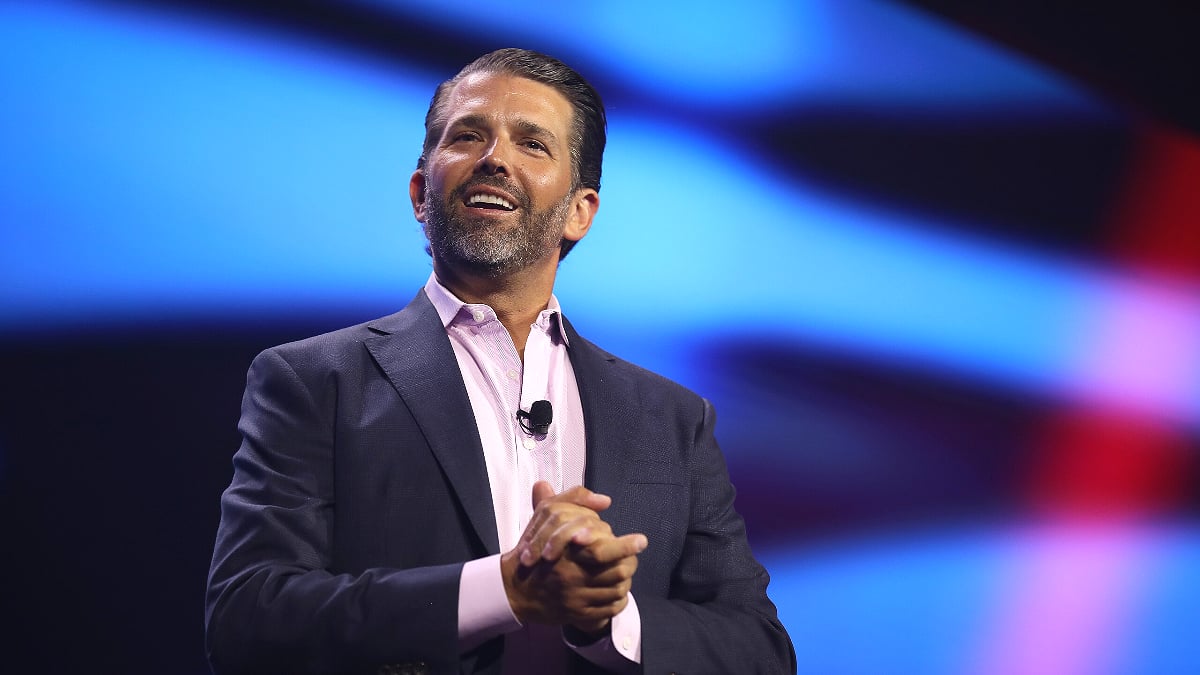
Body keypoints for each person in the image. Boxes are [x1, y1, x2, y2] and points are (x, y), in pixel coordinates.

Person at [205, 48, 795, 675]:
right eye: (468, 136)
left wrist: (608, 618)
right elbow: (247, 621)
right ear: (419, 194)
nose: (495, 158)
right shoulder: (315, 381)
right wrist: (503, 591)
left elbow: (760, 652)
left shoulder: (673, 419)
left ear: (579, 212)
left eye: (533, 144)